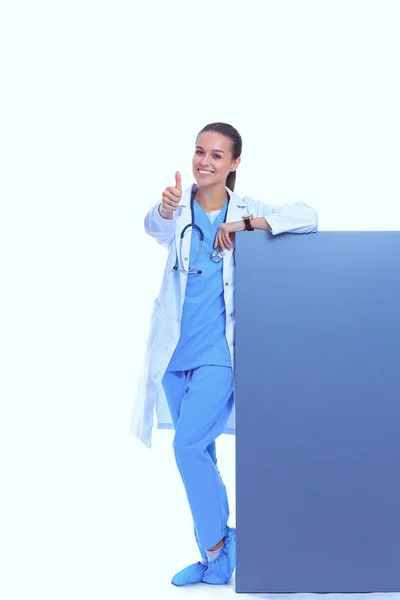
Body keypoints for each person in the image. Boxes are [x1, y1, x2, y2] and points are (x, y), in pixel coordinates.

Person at [130, 122, 318, 586]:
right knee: (203, 453)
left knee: (187, 445)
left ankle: (220, 543)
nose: (204, 162)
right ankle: (215, 559)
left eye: (217, 155)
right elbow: (151, 227)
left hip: (218, 353)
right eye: (199, 152)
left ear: (234, 164)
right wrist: (164, 205)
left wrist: (246, 224)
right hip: (173, 355)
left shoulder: (247, 209)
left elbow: (309, 215)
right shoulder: (179, 209)